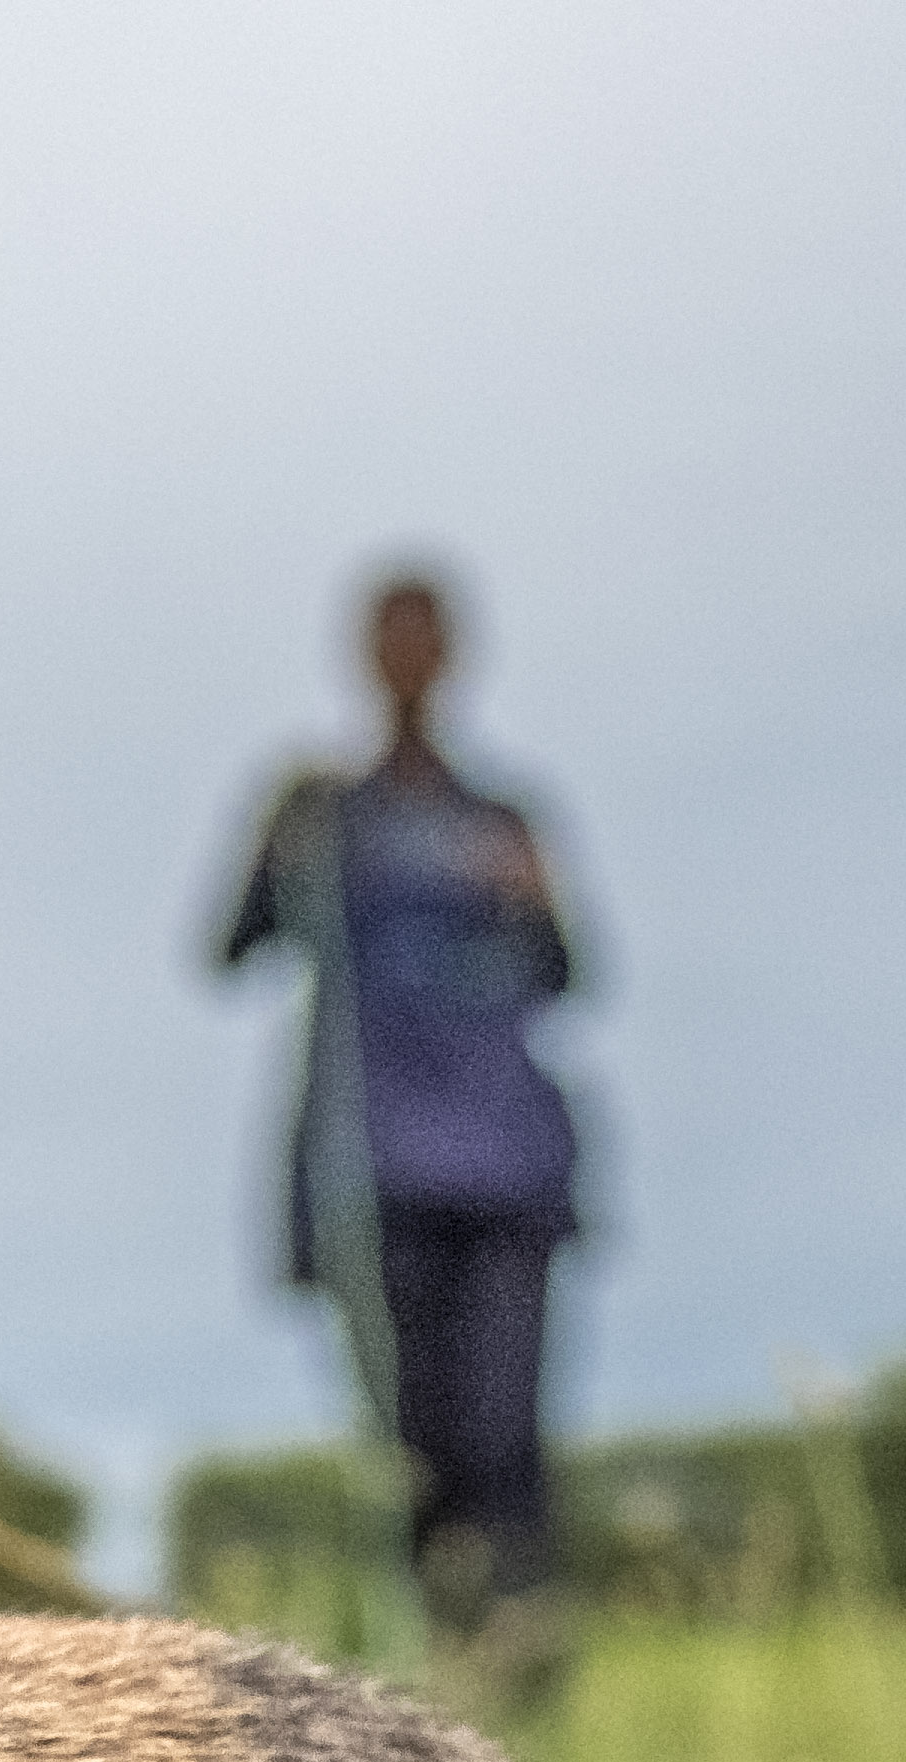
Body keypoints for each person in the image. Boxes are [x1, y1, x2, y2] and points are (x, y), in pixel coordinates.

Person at [213, 569, 588, 1665]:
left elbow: (570, 972)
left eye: (430, 635)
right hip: (369, 1164)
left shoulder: (504, 814)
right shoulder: (320, 809)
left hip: (505, 1159)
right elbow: (230, 949)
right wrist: (269, 849)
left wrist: (532, 896)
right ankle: (442, 1656)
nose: (411, 655)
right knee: (410, 1438)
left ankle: (523, 1661)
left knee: (505, 1430)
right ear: (364, 654)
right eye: (391, 634)